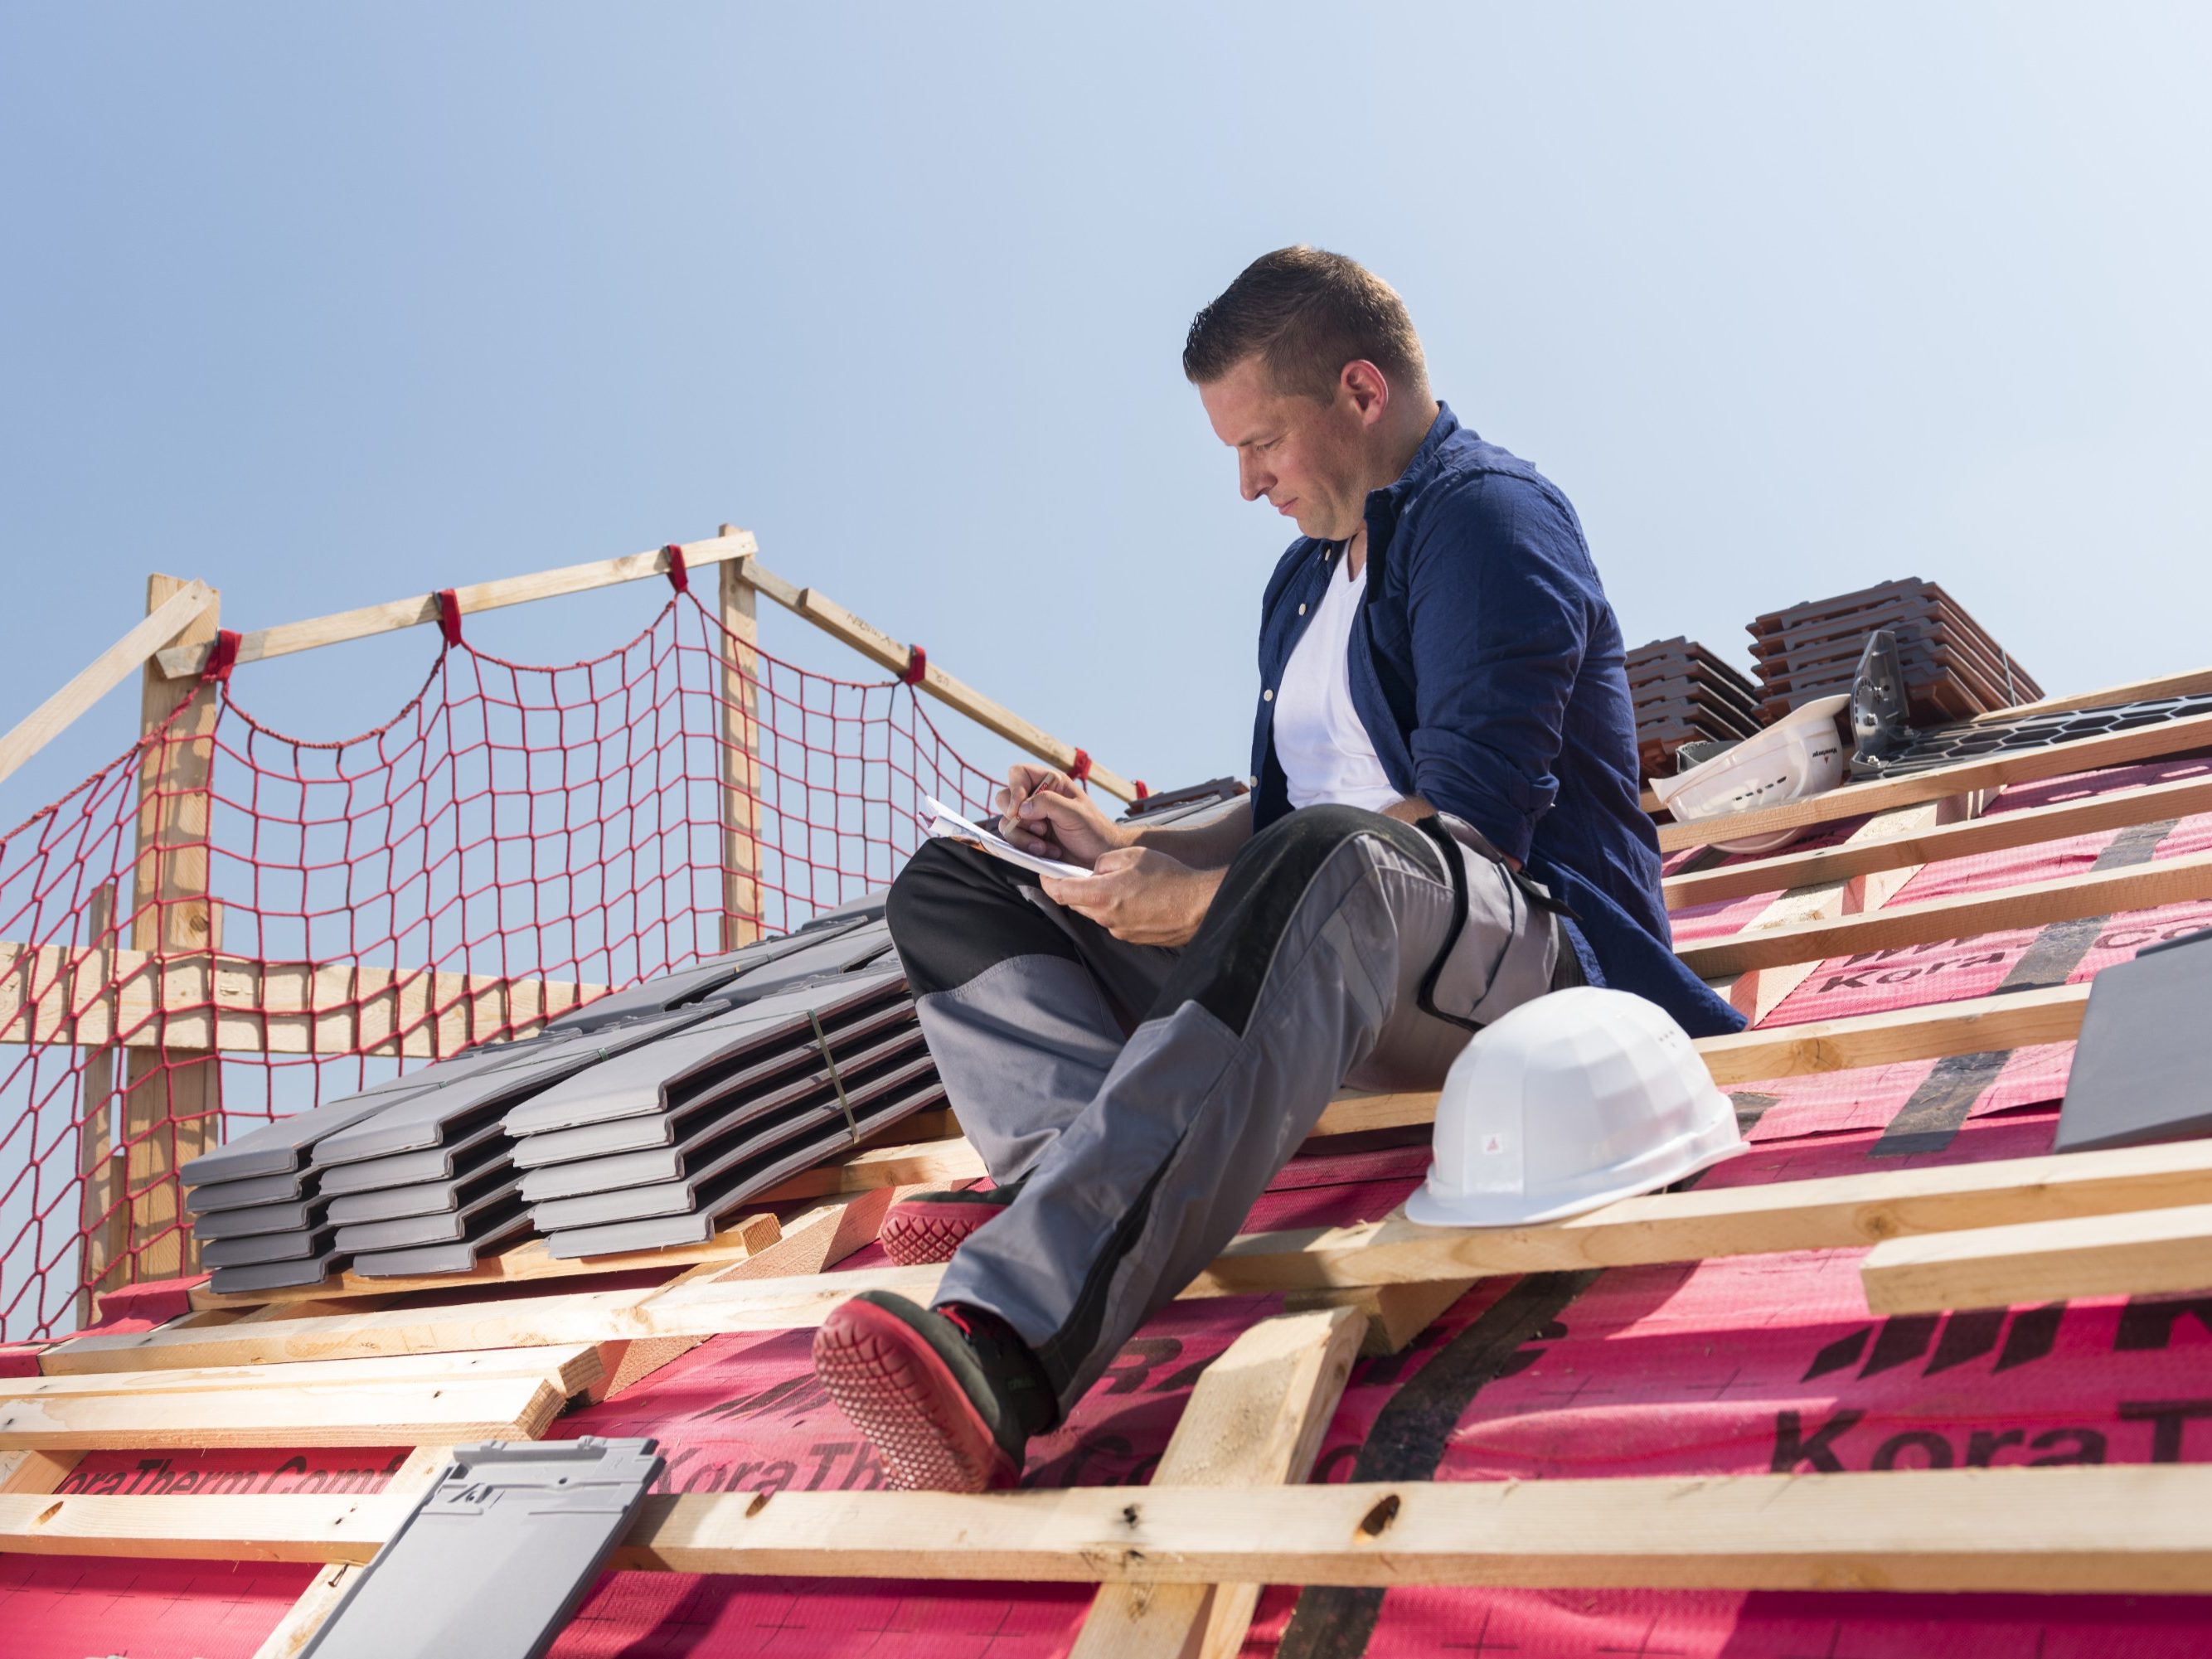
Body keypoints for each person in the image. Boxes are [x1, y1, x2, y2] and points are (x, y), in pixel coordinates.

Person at [810, 245, 1744, 1492]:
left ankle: (1007, 1346)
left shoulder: (1488, 519)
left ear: (1361, 391)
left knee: (1339, 862)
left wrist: (1189, 902)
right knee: (957, 883)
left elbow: (1460, 828)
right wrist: (1124, 846)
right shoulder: (1303, 582)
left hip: (1532, 957)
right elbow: (1287, 811)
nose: (1247, 485)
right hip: (1336, 932)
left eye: (1261, 444)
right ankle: (1071, 1179)